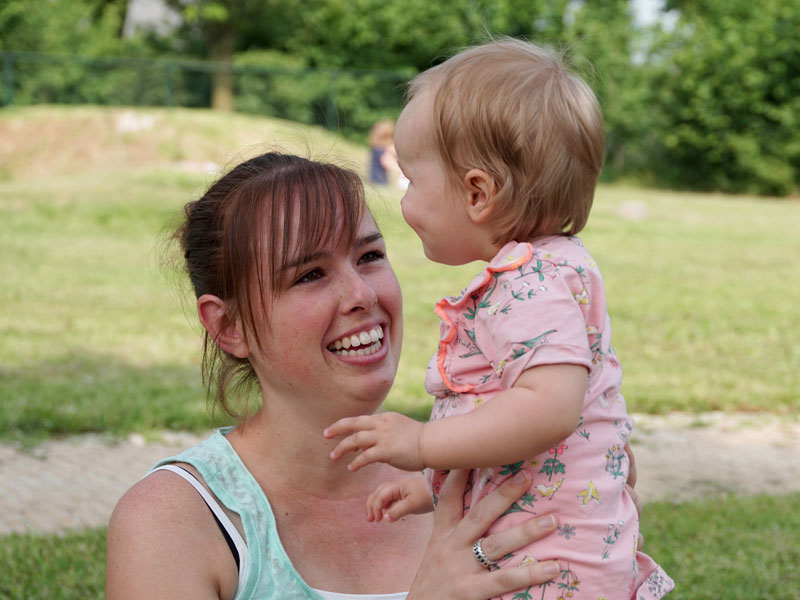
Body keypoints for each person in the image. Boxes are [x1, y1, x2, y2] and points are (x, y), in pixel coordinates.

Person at [105, 152, 571, 600]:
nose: (362, 293)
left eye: (369, 255)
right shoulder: (176, 520)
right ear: (230, 327)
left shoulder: (482, 468)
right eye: (310, 274)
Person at [324, 40, 675, 599]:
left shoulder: (530, 283)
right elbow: (506, 424)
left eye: (414, 181)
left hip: (550, 573)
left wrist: (422, 445)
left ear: (478, 193)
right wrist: (433, 484)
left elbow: (548, 409)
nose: (405, 201)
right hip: (548, 555)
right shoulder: (551, 269)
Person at [368, 118, 401, 186]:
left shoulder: (376, 148)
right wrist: (401, 171)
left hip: (373, 179)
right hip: (380, 181)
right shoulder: (382, 151)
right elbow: (387, 162)